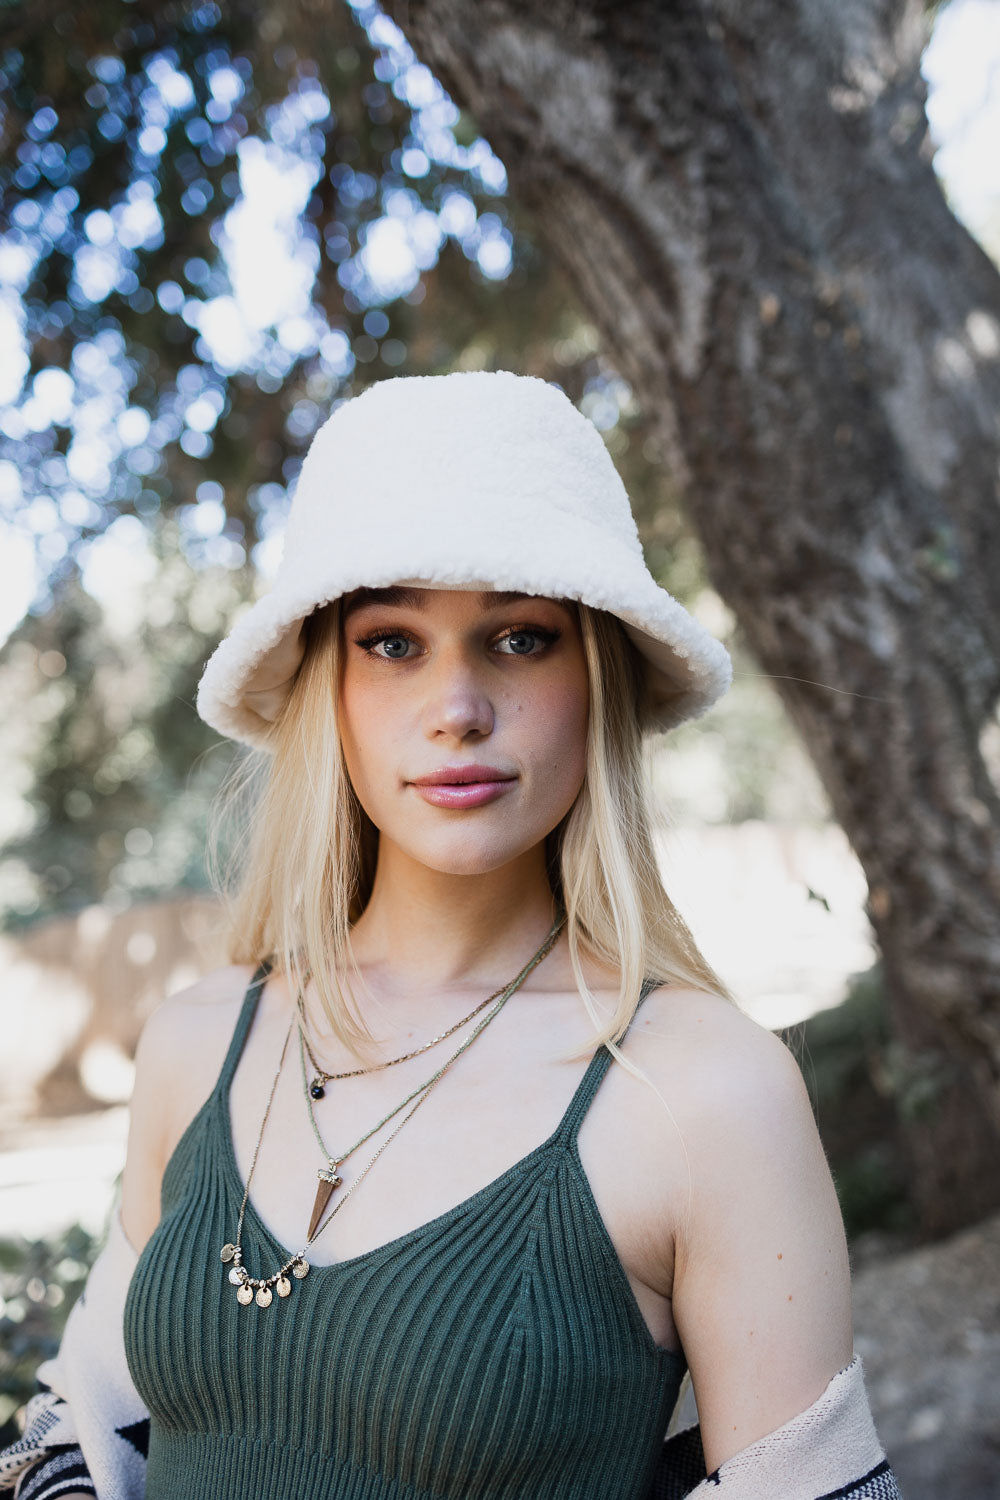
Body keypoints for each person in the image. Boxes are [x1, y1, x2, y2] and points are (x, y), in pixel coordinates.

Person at [1, 371, 902, 1500]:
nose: (457, 705)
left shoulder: (710, 1092)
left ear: (597, 683)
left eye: (520, 638)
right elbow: (78, 1433)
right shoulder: (199, 1044)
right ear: (326, 687)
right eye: (391, 644)